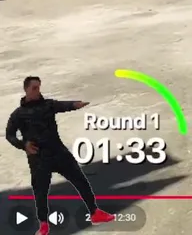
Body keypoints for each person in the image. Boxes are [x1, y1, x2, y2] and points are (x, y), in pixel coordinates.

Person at [6, 77, 113, 234]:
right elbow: (9, 135)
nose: (37, 91)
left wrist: (76, 104)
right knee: (40, 191)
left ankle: (95, 213)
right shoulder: (18, 114)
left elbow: (63, 105)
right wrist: (24, 145)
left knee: (80, 180)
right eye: (34, 88)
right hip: (39, 158)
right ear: (26, 89)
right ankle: (43, 225)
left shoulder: (48, 105)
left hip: (58, 152)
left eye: (39, 87)